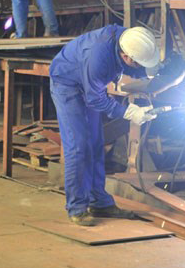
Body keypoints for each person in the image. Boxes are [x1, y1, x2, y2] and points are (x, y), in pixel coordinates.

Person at [49, 25, 160, 226]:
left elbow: (132, 67)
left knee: (95, 143)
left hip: (88, 82)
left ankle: (99, 202)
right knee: (79, 147)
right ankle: (77, 208)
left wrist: (154, 75)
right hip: (67, 84)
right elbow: (95, 99)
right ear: (126, 57)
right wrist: (128, 112)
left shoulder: (129, 40)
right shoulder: (98, 58)